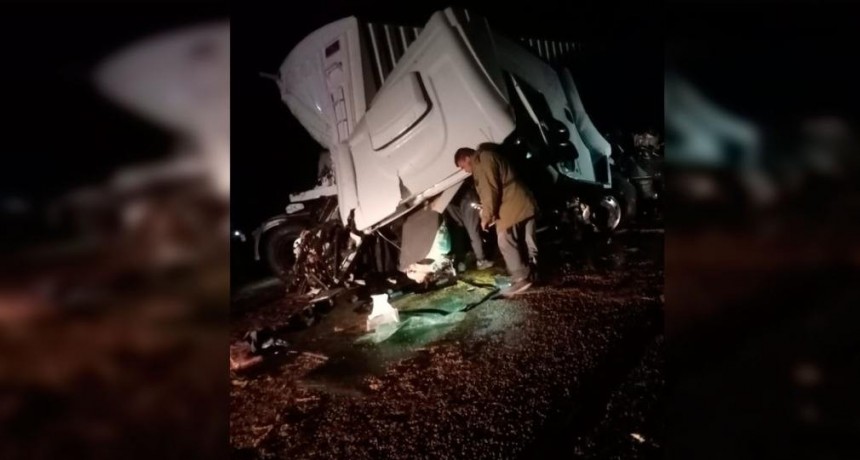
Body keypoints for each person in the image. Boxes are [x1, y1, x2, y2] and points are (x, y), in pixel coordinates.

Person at [454, 143, 538, 296]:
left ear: (467, 158)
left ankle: (521, 278)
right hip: (523, 200)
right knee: (528, 239)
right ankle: (533, 272)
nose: (465, 170)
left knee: (505, 240)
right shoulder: (489, 155)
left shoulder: (481, 161)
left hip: (511, 204)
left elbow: (489, 190)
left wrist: (486, 217)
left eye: (463, 166)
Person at [444, 177, 494, 271]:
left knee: (461, 229)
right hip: (465, 197)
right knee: (473, 231)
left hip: (449, 200)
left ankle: (462, 261)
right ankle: (481, 259)